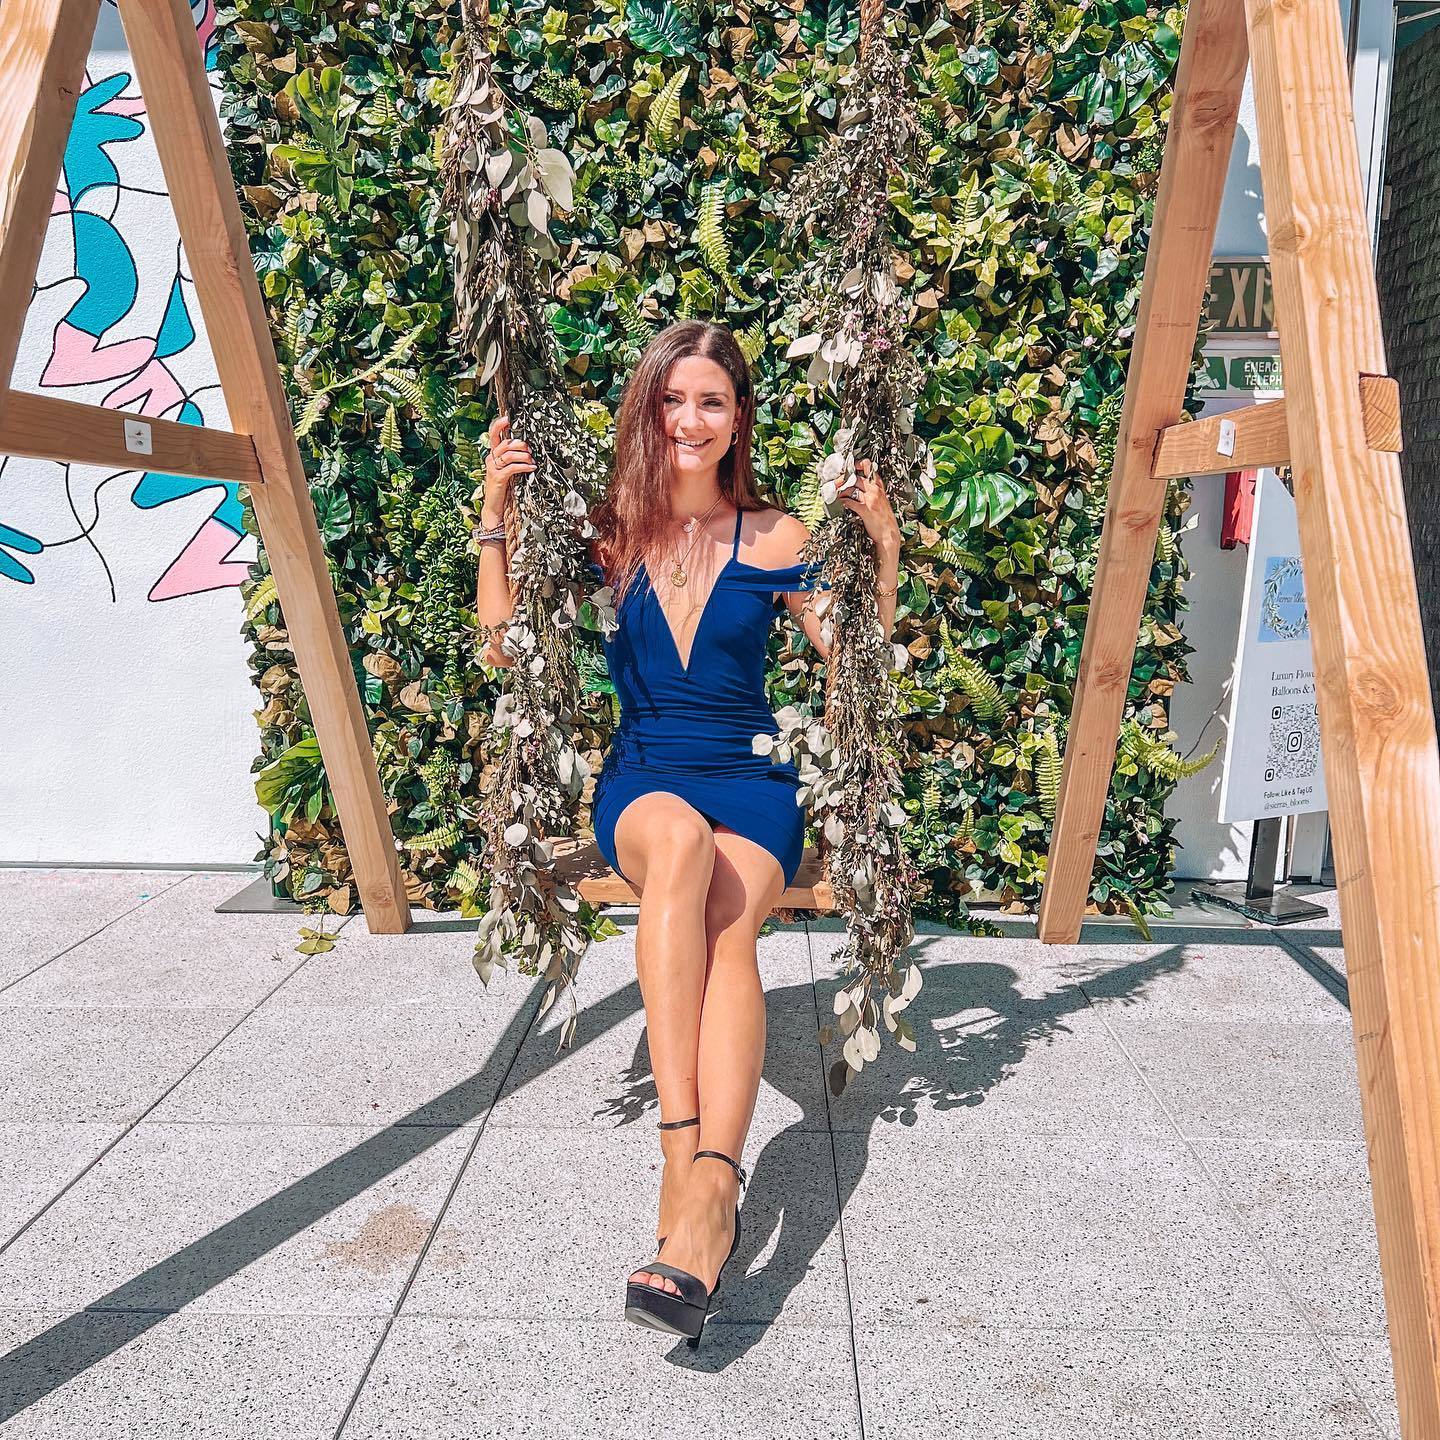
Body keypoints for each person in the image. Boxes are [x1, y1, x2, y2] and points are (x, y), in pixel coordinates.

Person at [475, 319, 900, 1345]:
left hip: (752, 780)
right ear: (648, 411)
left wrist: (884, 550)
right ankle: (687, 1160)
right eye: (673, 400)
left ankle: (710, 1189)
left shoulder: (779, 538)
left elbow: (858, 670)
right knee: (677, 847)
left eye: (711, 401)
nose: (690, 421)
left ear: (739, 416)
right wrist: (495, 516)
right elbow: (504, 650)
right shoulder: (606, 532)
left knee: (728, 926)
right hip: (646, 777)